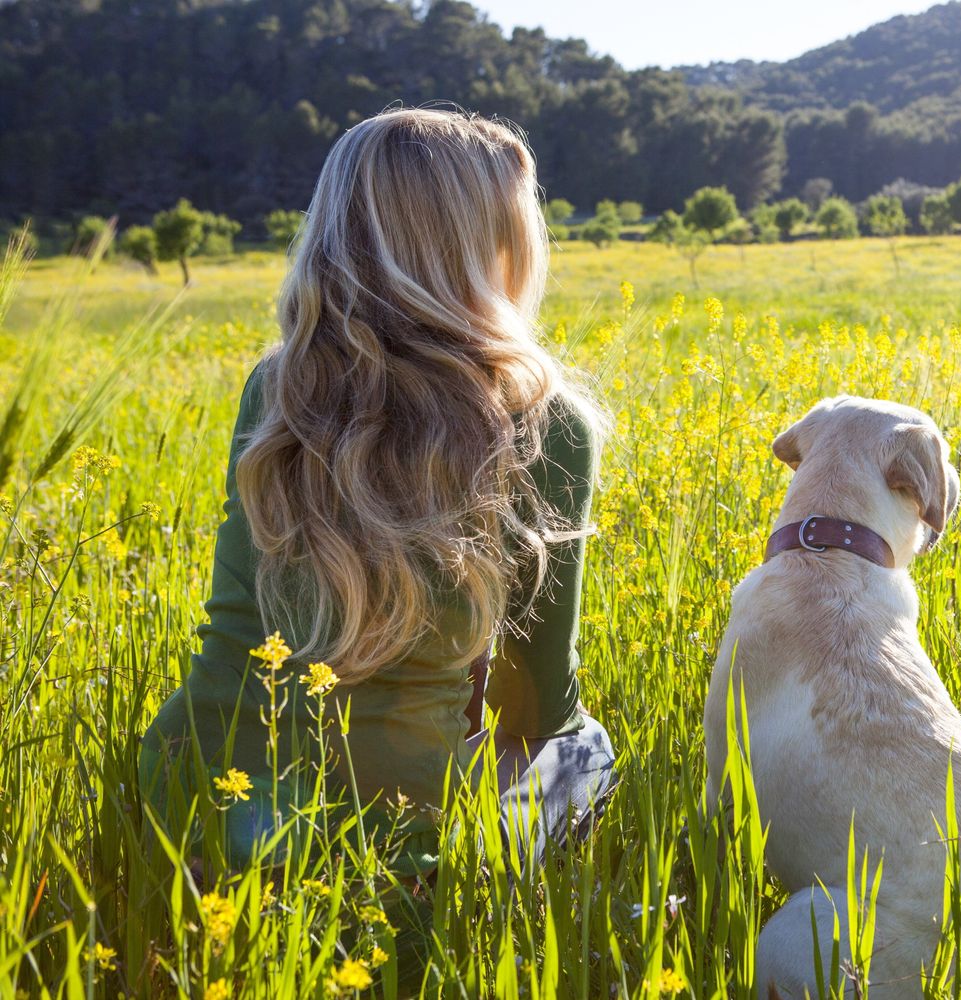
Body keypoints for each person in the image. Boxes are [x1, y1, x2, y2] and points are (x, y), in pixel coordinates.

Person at [137, 108, 614, 877]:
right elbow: (535, 708)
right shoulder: (542, 420)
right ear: (488, 242)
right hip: (393, 836)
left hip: (190, 786)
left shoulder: (280, 387)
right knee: (583, 747)